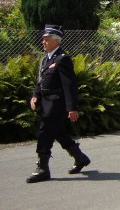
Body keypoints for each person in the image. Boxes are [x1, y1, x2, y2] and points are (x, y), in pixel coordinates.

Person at [26, 25, 90, 183]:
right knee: (58, 132)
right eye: (43, 39)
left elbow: (69, 86)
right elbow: (41, 82)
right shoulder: (45, 58)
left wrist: (72, 108)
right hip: (45, 102)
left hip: (57, 103)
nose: (43, 42)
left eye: (47, 39)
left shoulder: (62, 58)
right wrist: (35, 96)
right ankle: (80, 157)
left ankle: (42, 168)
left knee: (45, 133)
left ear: (57, 41)